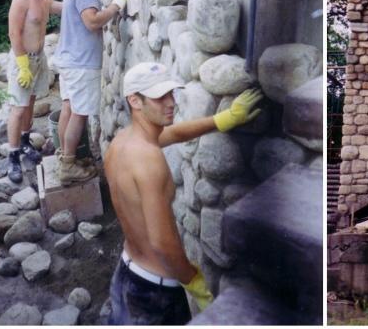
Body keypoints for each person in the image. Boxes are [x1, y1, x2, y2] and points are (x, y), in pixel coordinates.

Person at [104, 62, 263, 325]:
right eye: (159, 97)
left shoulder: (123, 142)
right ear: (135, 100)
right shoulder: (149, 160)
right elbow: (162, 243)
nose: (170, 103)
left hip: (126, 272)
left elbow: (175, 132)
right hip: (153, 293)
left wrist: (223, 119)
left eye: (171, 94)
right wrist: (193, 280)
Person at [52, 0, 124, 185]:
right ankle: (69, 166)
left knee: (68, 109)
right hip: (82, 62)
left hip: (69, 59)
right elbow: (92, 22)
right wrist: (116, 5)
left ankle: (65, 157)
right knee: (80, 114)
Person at [4, 0, 64, 183]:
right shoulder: (21, 0)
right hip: (23, 60)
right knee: (17, 109)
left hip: (39, 59)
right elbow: (13, 33)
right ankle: (13, 156)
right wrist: (22, 66)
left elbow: (69, 6)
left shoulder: (46, 0)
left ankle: (25, 141)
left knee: (30, 103)